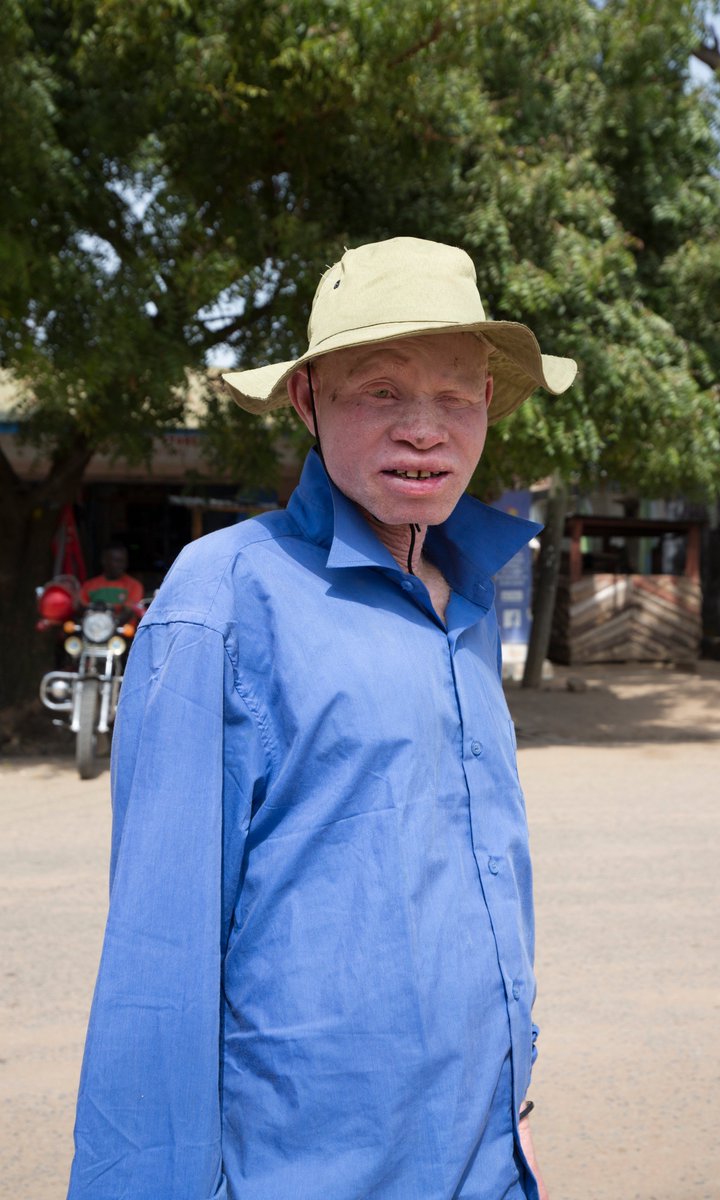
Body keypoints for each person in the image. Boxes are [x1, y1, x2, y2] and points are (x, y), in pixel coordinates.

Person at [67, 236, 576, 1200]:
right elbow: (158, 959)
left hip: (483, 1161)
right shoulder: (222, 597)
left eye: (456, 395)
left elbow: (483, 876)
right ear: (307, 399)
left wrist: (512, 1112)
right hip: (307, 1170)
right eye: (381, 391)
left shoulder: (460, 596)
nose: (425, 430)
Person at [79, 544, 144, 610]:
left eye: (124, 561)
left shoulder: (134, 585)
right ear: (104, 561)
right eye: (117, 561)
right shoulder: (89, 585)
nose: (122, 565)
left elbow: (129, 611)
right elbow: (81, 608)